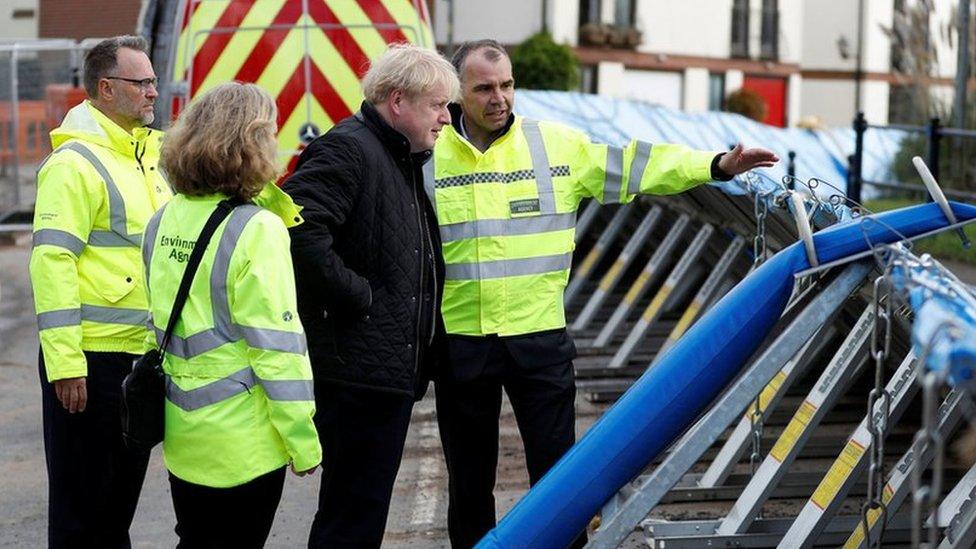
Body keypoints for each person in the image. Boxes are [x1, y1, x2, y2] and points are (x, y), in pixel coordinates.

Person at [426, 39, 780, 548]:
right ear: (458, 94)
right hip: (461, 343)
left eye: (506, 84)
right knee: (468, 483)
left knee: (559, 483)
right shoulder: (430, 157)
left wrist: (716, 165)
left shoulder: (555, 146)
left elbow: (638, 164)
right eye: (484, 88)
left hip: (538, 341)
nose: (499, 97)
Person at [283, 43, 458, 548]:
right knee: (351, 518)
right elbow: (298, 231)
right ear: (397, 102)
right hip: (356, 372)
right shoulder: (350, 149)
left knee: (360, 513)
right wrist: (361, 299)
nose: (447, 118)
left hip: (380, 369)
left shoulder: (398, 156)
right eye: (437, 106)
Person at [144, 81, 321, 546]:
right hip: (243, 446)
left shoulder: (163, 219)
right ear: (253, 144)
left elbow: (158, 324)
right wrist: (303, 442)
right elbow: (277, 352)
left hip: (184, 439)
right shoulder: (257, 229)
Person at [29, 35, 170, 547]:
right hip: (90, 362)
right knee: (81, 515)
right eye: (143, 82)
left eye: (154, 81)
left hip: (137, 358)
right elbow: (52, 261)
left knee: (114, 514)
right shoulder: (75, 164)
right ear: (106, 89)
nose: (155, 92)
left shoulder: (147, 159)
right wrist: (66, 364)